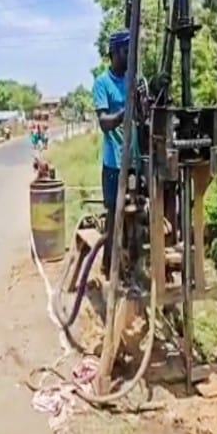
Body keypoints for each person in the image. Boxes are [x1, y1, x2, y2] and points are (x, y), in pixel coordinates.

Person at [92, 29, 138, 276]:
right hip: (113, 164)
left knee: (135, 211)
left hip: (134, 160)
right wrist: (125, 113)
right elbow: (104, 122)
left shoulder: (134, 79)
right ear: (113, 54)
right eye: (124, 51)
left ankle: (131, 264)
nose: (128, 56)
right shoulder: (102, 83)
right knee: (114, 214)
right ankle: (109, 264)